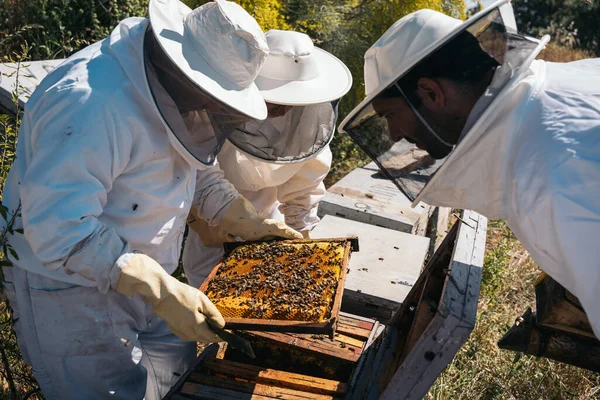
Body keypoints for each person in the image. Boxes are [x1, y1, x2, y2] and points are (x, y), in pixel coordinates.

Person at [0, 0, 301, 398]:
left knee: (175, 380)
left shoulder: (178, 92)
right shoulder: (89, 102)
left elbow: (192, 167)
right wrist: (161, 289)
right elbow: (60, 230)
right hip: (70, 290)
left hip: (146, 277)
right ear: (180, 64)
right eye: (211, 91)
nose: (213, 105)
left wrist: (243, 218)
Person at [339, 0, 600, 338]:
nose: (393, 135)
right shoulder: (574, 79)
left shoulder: (547, 184)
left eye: (390, 115)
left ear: (431, 93)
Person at [182, 29, 352, 288]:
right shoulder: (215, 113)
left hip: (271, 227)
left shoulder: (309, 129)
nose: (284, 110)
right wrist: (219, 219)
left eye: (292, 102)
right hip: (210, 225)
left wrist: (302, 240)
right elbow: (200, 173)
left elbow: (303, 191)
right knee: (206, 303)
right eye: (276, 101)